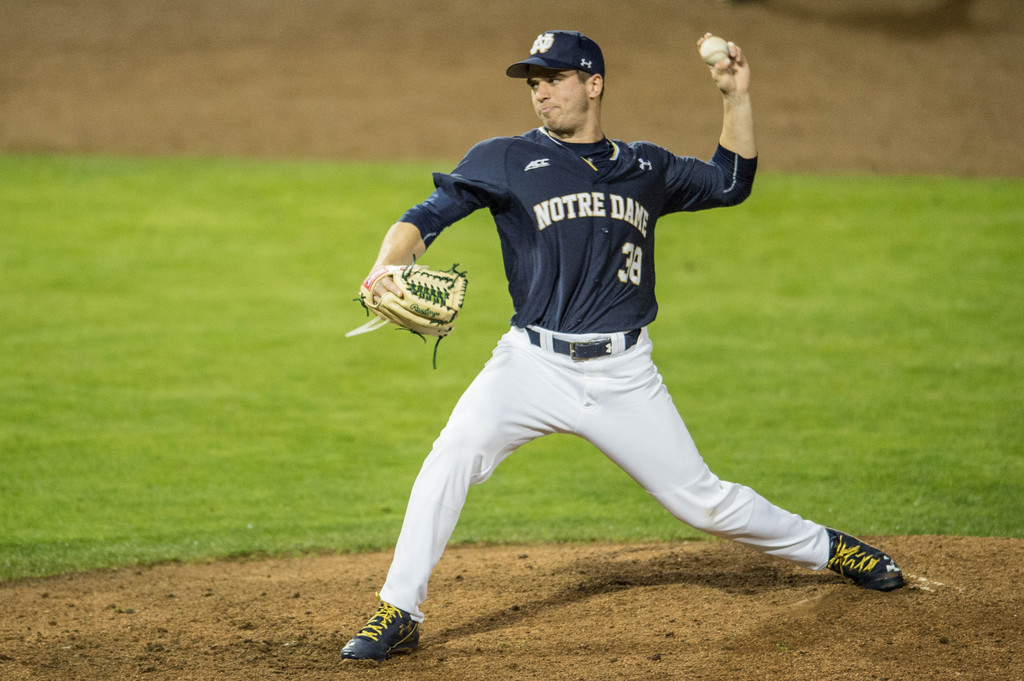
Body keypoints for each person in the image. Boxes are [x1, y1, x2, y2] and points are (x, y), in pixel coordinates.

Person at [341, 30, 903, 662]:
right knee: (451, 455)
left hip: (625, 374)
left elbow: (731, 181)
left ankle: (834, 549)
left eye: (553, 79)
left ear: (593, 83)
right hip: (530, 365)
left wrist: (734, 98)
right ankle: (400, 608)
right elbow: (429, 214)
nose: (542, 94)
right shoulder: (504, 158)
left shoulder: (646, 167)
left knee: (703, 502)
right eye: (534, 83)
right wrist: (386, 265)